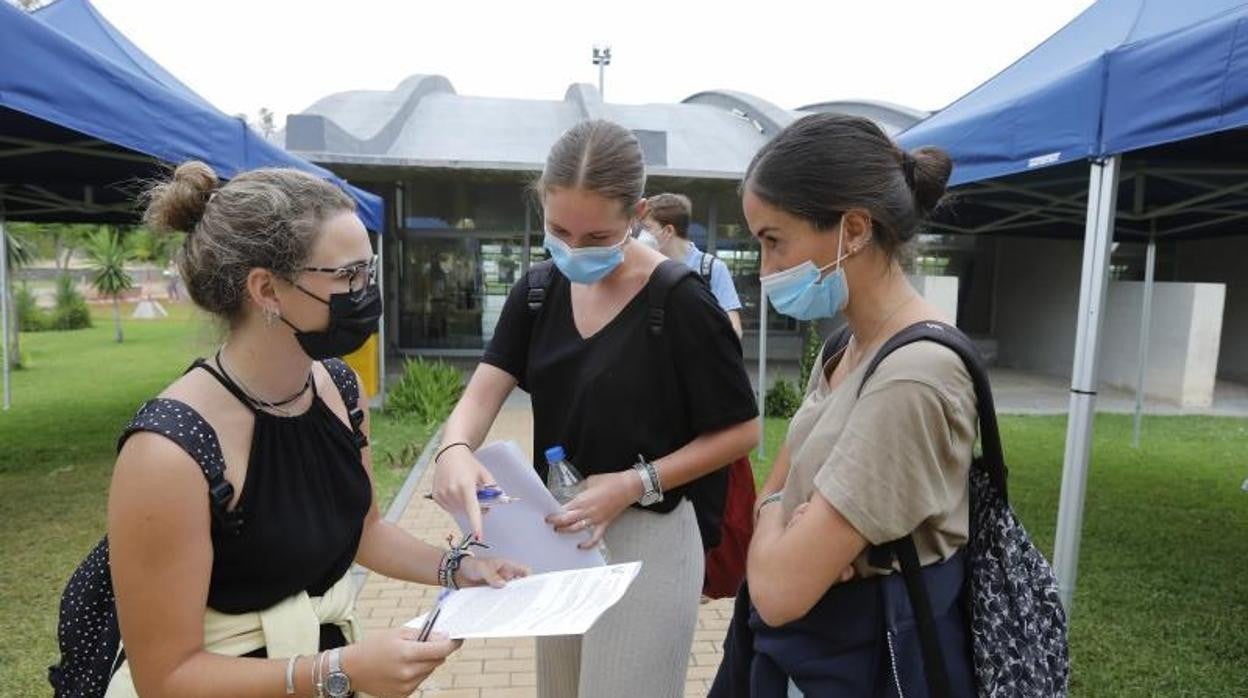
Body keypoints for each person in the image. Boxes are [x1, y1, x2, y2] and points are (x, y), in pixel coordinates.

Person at [104, 162, 527, 697]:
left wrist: (459, 569)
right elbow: (166, 677)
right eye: (347, 277)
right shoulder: (168, 453)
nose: (366, 294)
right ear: (267, 290)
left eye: (367, 273)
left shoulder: (340, 391)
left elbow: (366, 532)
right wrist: (338, 671)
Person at [431, 119, 759, 698]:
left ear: (638, 214)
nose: (574, 251)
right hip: (559, 534)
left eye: (597, 237)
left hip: (649, 537)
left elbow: (742, 431)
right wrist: (454, 449)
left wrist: (635, 483)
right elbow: (481, 394)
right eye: (560, 231)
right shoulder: (537, 291)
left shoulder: (680, 300)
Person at [713, 113, 977, 696]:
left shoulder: (912, 377)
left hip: (864, 663)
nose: (765, 270)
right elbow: (775, 501)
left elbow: (778, 592)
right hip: (811, 663)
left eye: (773, 241)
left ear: (853, 228)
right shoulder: (847, 349)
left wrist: (780, 527)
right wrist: (784, 519)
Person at [639, 193, 744, 337]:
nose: (641, 236)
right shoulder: (641, 267)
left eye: (647, 228)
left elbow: (734, 330)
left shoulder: (711, 268)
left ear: (668, 231)